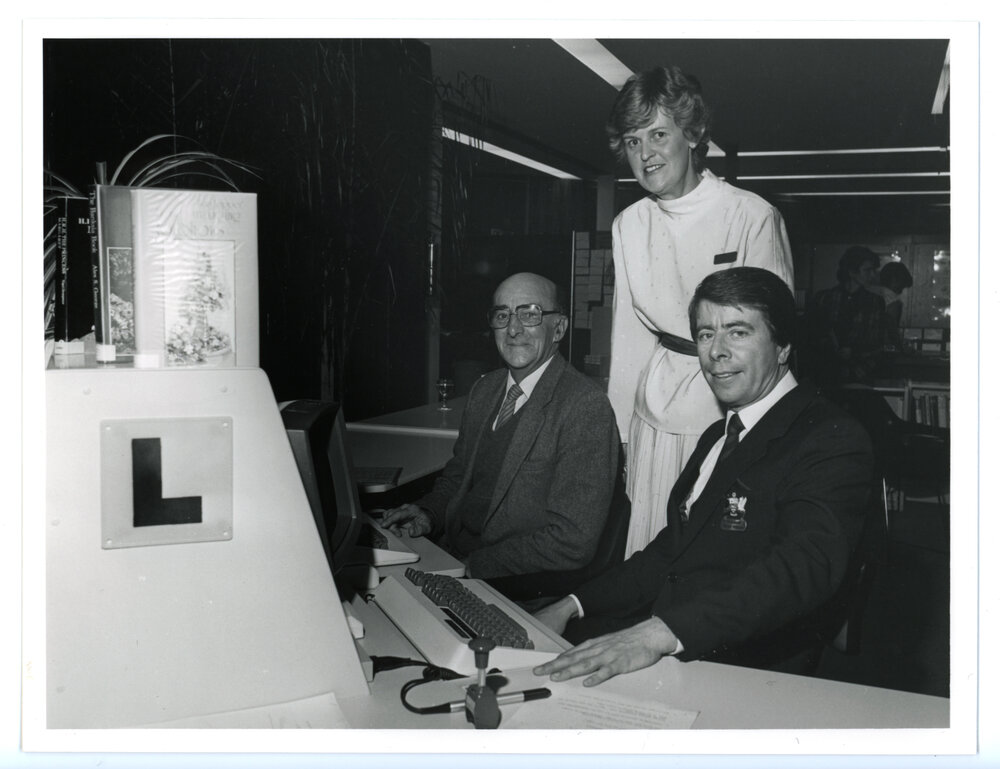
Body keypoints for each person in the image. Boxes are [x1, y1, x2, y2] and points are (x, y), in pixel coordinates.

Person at [531, 267, 873, 685]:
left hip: (749, 668)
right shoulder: (718, 434)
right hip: (675, 641)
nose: (716, 352)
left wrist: (661, 633)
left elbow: (801, 569)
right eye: (706, 334)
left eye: (738, 332)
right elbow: (669, 553)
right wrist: (572, 603)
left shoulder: (829, 437)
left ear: (782, 347)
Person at [604, 65, 794, 557]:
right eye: (631, 141)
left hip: (725, 417)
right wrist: (619, 439)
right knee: (648, 554)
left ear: (691, 135)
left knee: (712, 562)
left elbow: (769, 342)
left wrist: (754, 440)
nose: (644, 154)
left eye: (658, 134)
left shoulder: (750, 215)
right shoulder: (628, 224)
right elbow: (627, 338)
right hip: (654, 413)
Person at [381, 272, 620, 579]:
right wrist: (429, 513)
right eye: (502, 315)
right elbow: (458, 478)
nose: (513, 329)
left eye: (530, 314)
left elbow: (572, 541)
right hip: (449, 555)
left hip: (512, 585)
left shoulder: (584, 406)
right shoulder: (485, 390)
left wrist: (474, 566)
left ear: (558, 328)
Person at [805, 245, 887, 387]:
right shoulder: (824, 299)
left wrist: (854, 352)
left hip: (860, 376)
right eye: (867, 270)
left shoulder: (875, 302)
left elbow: (877, 343)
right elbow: (810, 337)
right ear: (851, 272)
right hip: (825, 376)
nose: (873, 275)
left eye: (873, 270)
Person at [870, 261, 914, 351]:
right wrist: (901, 348)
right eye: (902, 284)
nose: (902, 290)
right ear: (894, 280)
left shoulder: (869, 291)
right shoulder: (893, 300)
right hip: (879, 348)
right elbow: (891, 330)